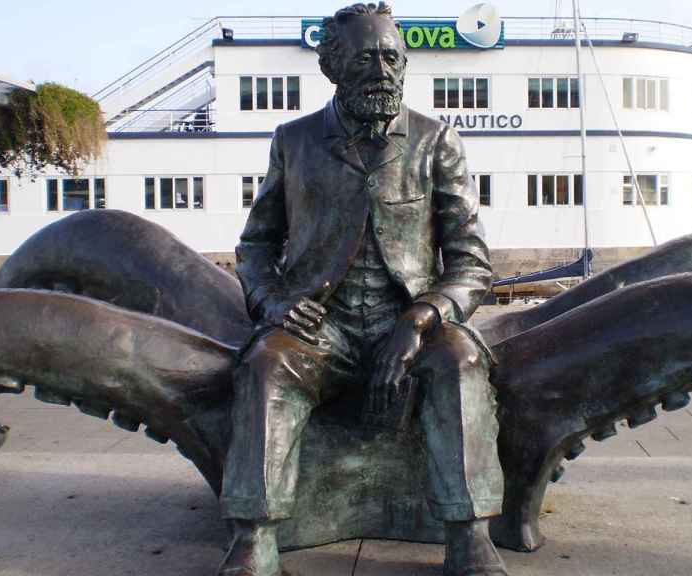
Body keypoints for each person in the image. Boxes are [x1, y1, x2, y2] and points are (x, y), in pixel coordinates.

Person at [218, 3, 507, 575]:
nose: (383, 71)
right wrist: (275, 302)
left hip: (414, 324)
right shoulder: (293, 142)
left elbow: (471, 262)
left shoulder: (436, 141)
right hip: (321, 327)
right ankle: (255, 536)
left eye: (392, 58)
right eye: (366, 58)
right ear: (332, 65)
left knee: (462, 363)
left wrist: (421, 318)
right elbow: (255, 247)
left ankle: (469, 533)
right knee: (266, 368)